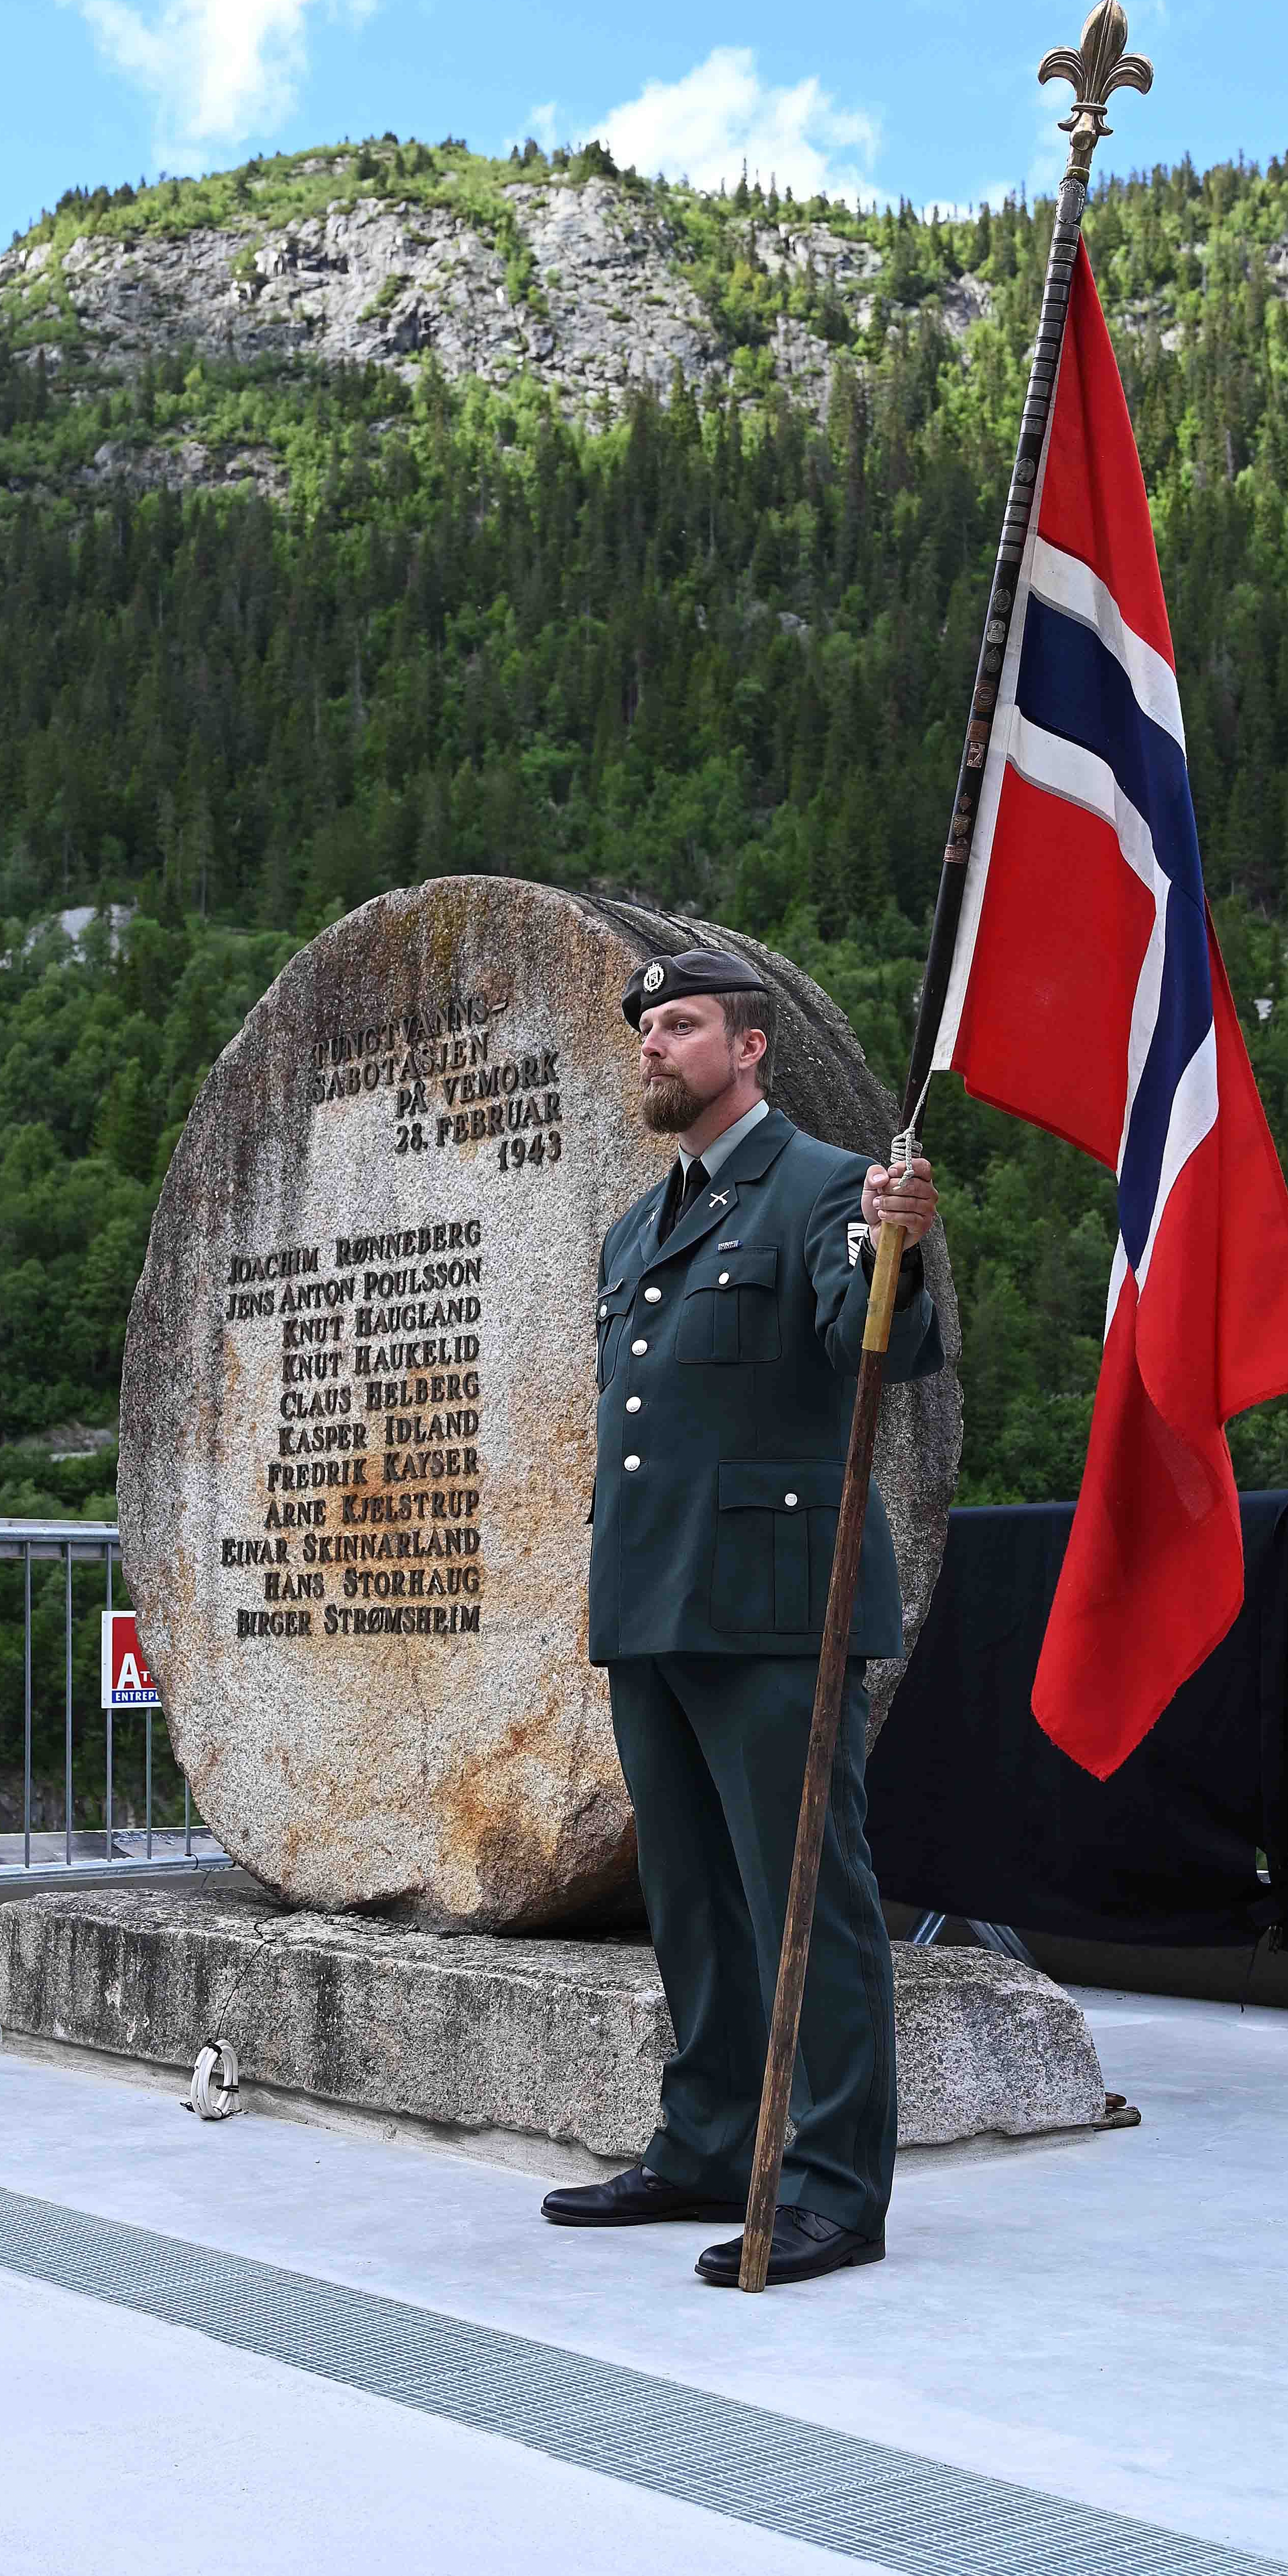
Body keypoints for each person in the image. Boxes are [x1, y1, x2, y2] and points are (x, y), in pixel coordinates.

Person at [543, 949, 943, 2285]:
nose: (654, 1046)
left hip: (774, 1605)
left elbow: (868, 1346)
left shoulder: (829, 1186)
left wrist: (896, 1253)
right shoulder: (635, 1230)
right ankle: (709, 2140)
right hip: (653, 1600)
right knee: (696, 1900)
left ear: (751, 1047)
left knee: (803, 1898)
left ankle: (833, 2186)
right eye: (647, 1028)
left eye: (683, 1025)